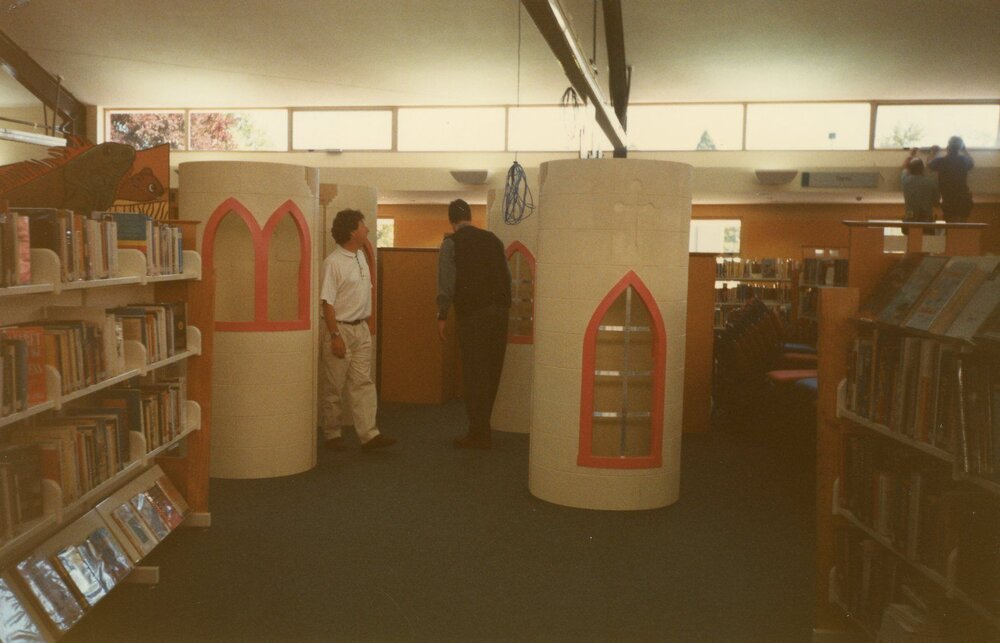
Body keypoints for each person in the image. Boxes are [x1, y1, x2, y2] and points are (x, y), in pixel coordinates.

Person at [436, 199, 511, 449]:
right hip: (500, 313)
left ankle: (477, 432)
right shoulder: (493, 239)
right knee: (492, 372)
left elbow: (447, 281)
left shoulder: (451, 243)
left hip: (473, 314)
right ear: (470, 216)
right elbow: (506, 276)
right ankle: (483, 429)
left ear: (451, 220)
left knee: (474, 373)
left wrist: (442, 315)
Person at [319, 209, 396, 451]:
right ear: (352, 231)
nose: (368, 229)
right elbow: (327, 303)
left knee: (363, 382)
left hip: (361, 330)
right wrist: (335, 336)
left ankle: (369, 435)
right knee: (334, 386)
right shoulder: (332, 263)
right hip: (340, 330)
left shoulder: (361, 255)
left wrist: (368, 324)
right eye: (363, 226)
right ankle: (332, 434)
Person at [928, 135, 974, 222]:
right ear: (960, 148)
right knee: (963, 226)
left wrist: (933, 153)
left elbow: (929, 164)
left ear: (948, 147)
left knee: (951, 228)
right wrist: (965, 150)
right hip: (963, 198)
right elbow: (971, 163)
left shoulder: (941, 161)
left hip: (948, 199)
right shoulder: (964, 160)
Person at [900, 148, 939, 222]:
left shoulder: (905, 181)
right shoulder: (931, 183)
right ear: (923, 169)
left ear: (910, 170)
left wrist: (911, 155)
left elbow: (905, 168)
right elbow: (936, 203)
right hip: (926, 220)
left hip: (909, 220)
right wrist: (932, 155)